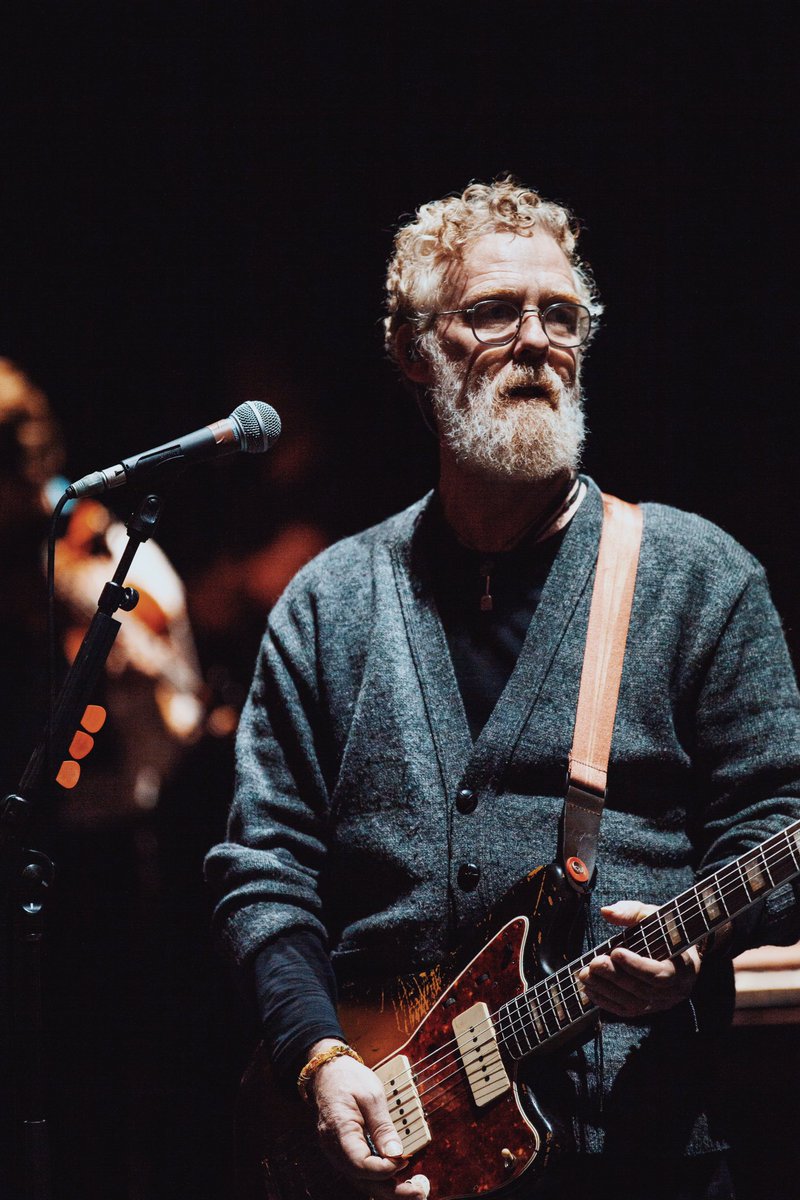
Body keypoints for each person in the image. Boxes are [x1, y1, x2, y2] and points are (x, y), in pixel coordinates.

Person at [205, 179, 800, 1200]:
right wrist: (318, 1057)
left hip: (638, 1156)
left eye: (559, 315)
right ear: (410, 351)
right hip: (378, 1146)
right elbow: (263, 869)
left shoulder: (701, 578)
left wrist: (696, 954)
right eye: (491, 312)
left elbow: (775, 828)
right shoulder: (327, 603)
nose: (534, 339)